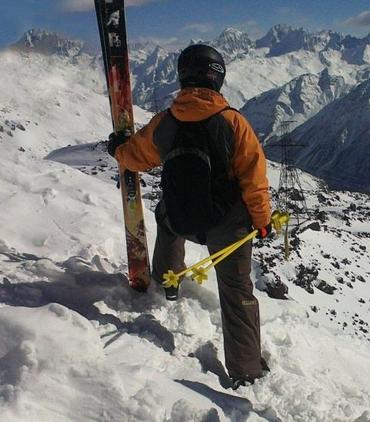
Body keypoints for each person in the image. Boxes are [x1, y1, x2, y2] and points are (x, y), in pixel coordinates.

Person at [107, 44, 271, 388]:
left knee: (165, 219)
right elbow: (254, 179)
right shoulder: (233, 123)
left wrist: (118, 148)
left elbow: (134, 158)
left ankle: (166, 286)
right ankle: (246, 370)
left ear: (183, 75)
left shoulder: (164, 123)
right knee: (236, 289)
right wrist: (261, 221)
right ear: (219, 77)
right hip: (226, 223)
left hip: (181, 215)